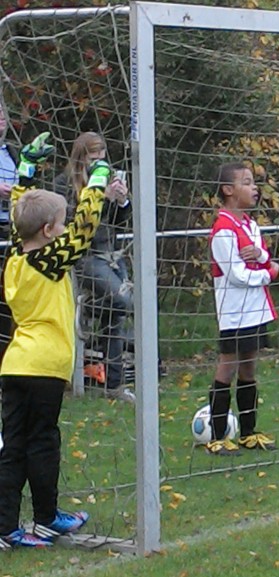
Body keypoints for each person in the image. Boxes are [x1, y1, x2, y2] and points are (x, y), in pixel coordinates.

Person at [0, 133, 114, 548]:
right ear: (49, 231)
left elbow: (18, 216)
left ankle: (6, 526)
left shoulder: (16, 254)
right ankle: (46, 518)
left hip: (14, 365)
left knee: (13, 446)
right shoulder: (48, 259)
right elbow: (84, 230)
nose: (66, 228)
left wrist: (27, 169)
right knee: (43, 442)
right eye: (60, 224)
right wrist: (97, 180)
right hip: (44, 366)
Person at [53, 132, 134, 403]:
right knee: (121, 301)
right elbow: (66, 222)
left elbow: (118, 221)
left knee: (117, 317)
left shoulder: (109, 176)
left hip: (111, 252)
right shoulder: (64, 184)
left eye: (102, 157)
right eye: (93, 157)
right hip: (85, 256)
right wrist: (100, 197)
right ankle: (85, 309)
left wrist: (121, 200)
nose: (99, 162)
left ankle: (114, 386)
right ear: (81, 157)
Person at [208, 162, 279, 456]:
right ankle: (216, 436)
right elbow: (236, 276)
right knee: (227, 367)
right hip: (235, 311)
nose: (254, 189)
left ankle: (249, 432)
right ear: (228, 190)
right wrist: (270, 273)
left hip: (256, 309)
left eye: (254, 183)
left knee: (249, 367)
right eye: (247, 182)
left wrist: (264, 257)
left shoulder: (249, 224)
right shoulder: (223, 230)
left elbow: (262, 256)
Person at [0, 101, 17, 364]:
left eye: (3, 114)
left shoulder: (14, 151)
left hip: (12, 230)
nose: (1, 119)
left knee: (8, 300)